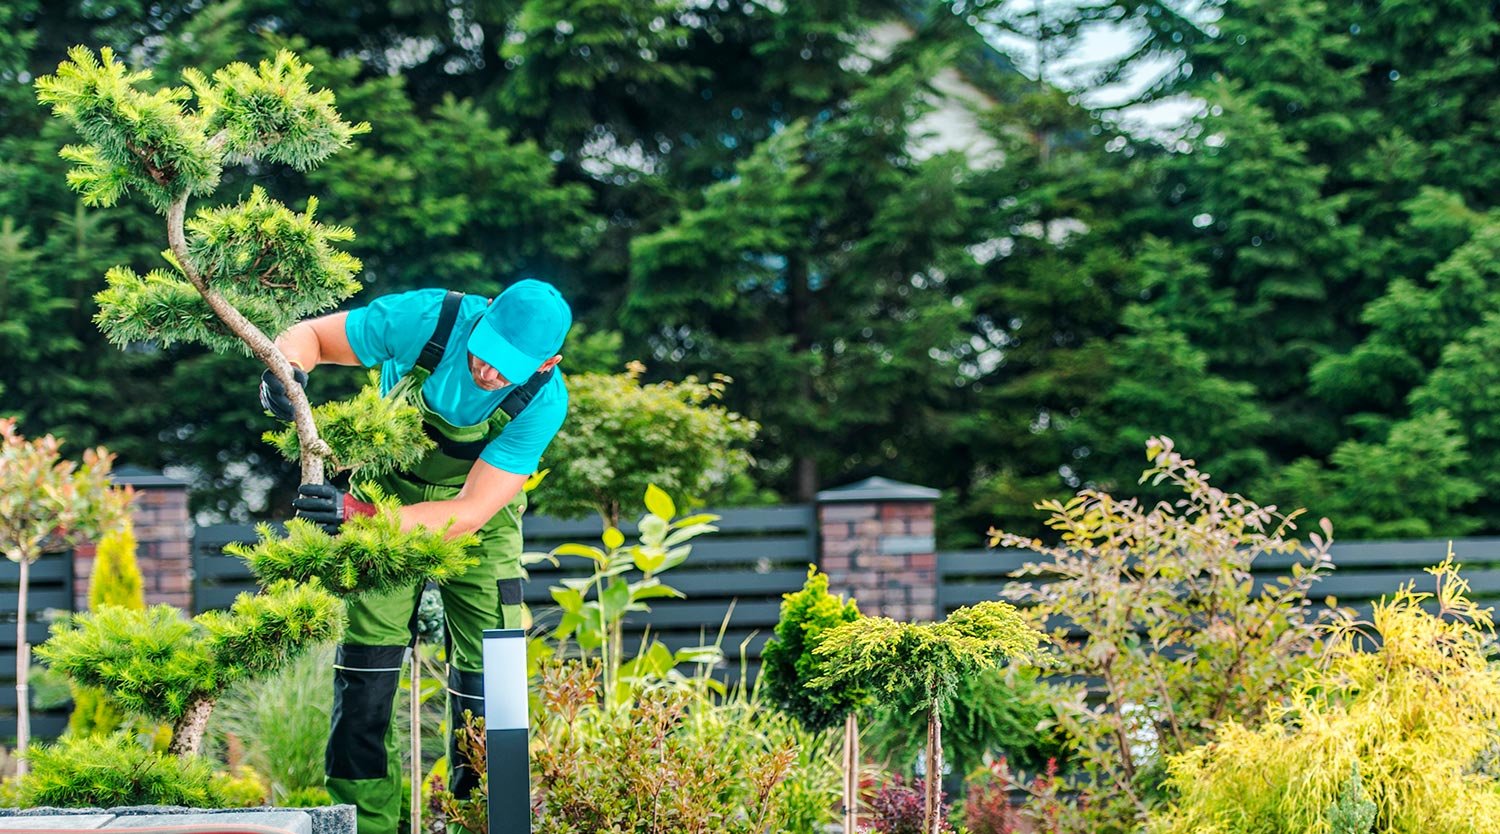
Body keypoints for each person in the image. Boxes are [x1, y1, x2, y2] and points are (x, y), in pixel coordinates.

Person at [258, 279, 570, 834]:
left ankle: (485, 822)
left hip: (478, 525)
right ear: (485, 316)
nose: (489, 374)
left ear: (548, 363)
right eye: (487, 353)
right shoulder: (429, 319)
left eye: (509, 368)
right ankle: (370, 825)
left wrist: (355, 519)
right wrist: (286, 373)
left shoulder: (544, 401)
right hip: (386, 491)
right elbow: (312, 337)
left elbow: (470, 511)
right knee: (366, 671)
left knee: (492, 676)